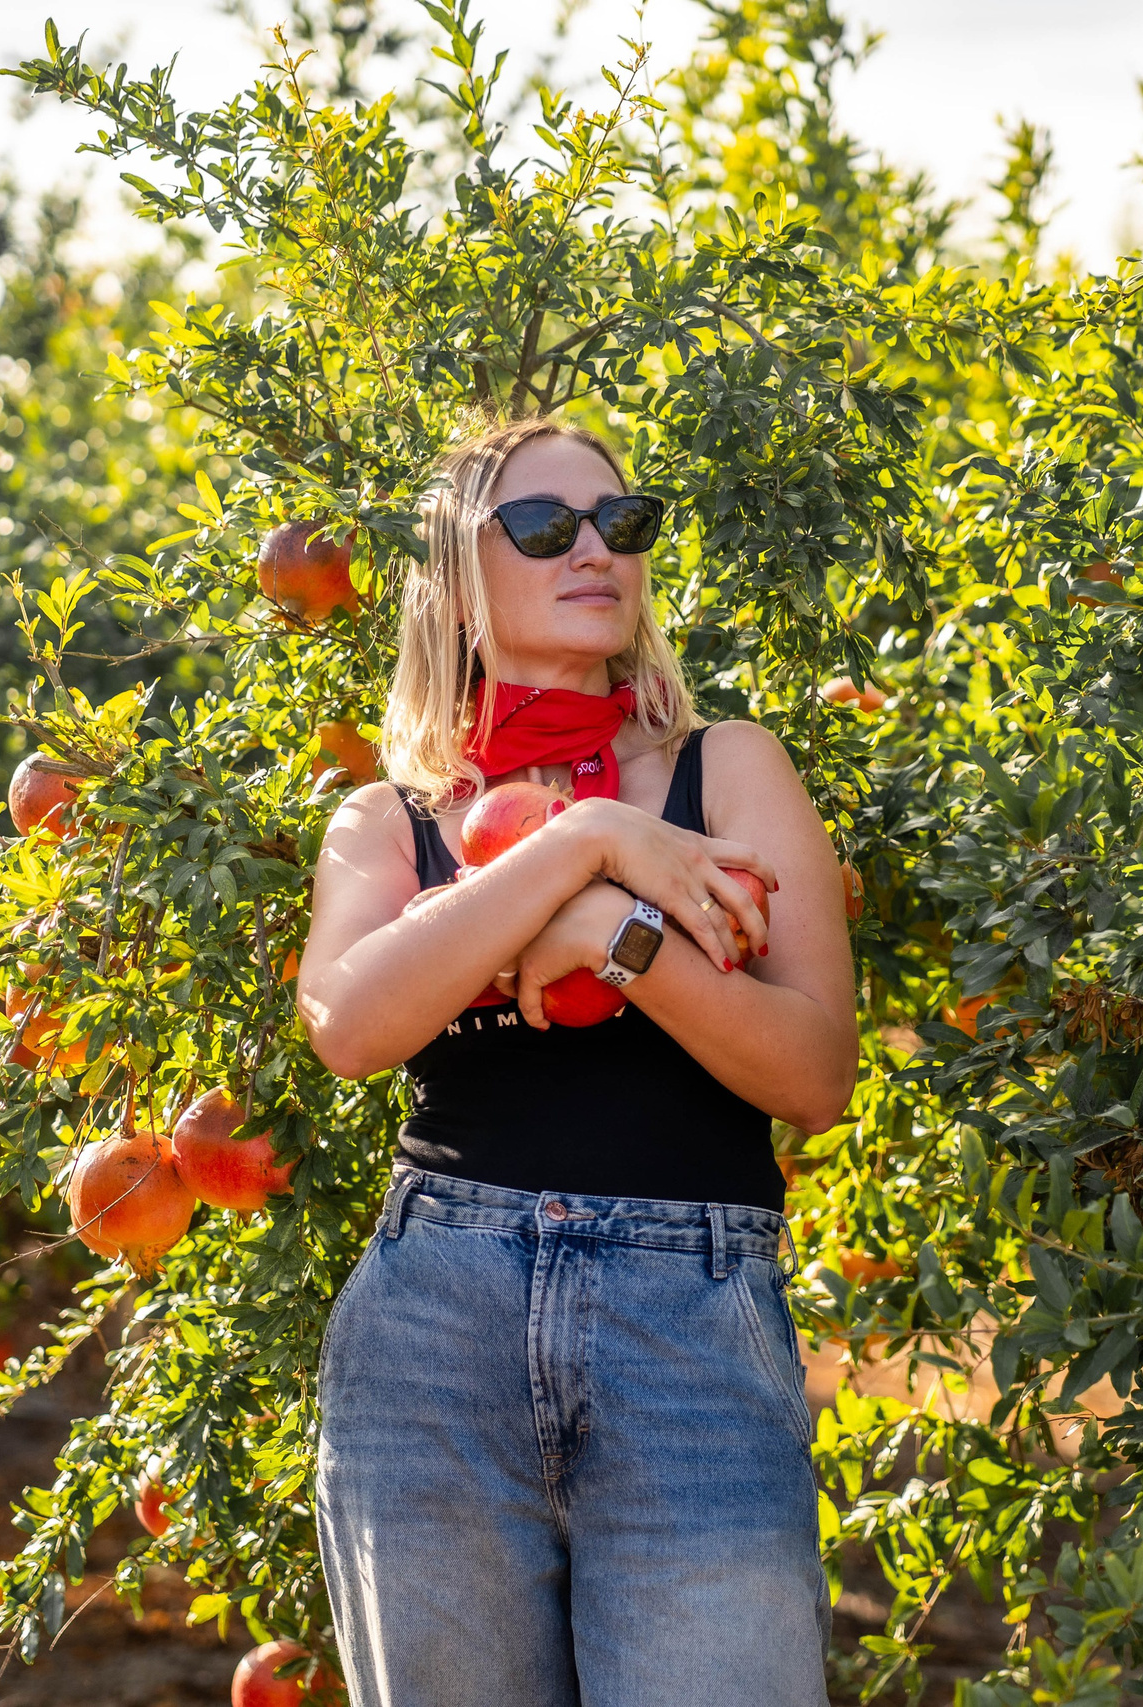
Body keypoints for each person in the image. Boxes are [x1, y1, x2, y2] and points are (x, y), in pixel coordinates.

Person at [296, 415, 860, 1706]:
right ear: (457, 578)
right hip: (436, 1320)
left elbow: (814, 1077)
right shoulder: (388, 820)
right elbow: (351, 1027)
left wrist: (614, 932)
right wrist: (581, 841)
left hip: (693, 1327)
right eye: (544, 528)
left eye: (623, 521)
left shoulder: (730, 770)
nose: (594, 548)